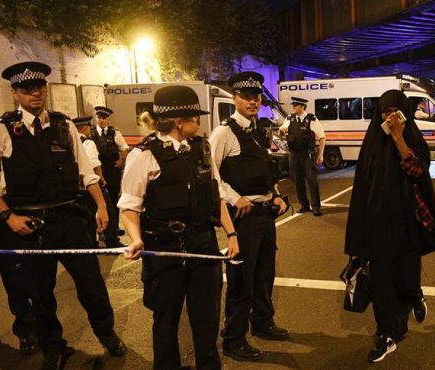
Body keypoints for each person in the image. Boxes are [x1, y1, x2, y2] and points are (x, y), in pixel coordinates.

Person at [0, 61, 126, 370]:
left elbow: (86, 171)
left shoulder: (63, 125)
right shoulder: (2, 130)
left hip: (70, 219)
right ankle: (52, 347)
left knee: (91, 283)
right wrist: (7, 218)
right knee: (40, 294)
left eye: (40, 87)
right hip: (30, 225)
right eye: (27, 90)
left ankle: (106, 334)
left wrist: (102, 206)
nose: (36, 94)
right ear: (15, 94)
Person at [120, 85, 239, 370]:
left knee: (207, 318)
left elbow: (217, 195)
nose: (199, 123)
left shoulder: (201, 148)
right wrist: (135, 239)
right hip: (165, 249)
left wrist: (232, 235)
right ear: (178, 121)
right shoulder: (144, 155)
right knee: (166, 319)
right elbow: (129, 206)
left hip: (203, 245)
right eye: (195, 117)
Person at [344, 89, 435, 363]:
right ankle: (386, 334)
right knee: (382, 285)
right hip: (378, 229)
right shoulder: (371, 142)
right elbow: (361, 190)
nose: (390, 116)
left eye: (396, 111)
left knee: (406, 281)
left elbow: (418, 170)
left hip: (408, 225)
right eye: (385, 111)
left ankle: (415, 295)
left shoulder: (413, 139)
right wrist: (358, 238)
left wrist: (398, 137)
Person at [209, 71, 289, 362]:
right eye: (247, 97)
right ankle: (233, 337)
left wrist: (277, 194)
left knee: (265, 273)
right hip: (244, 216)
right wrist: (233, 198)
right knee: (242, 278)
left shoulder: (256, 130)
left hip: (265, 213)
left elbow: (267, 171)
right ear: (235, 99)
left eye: (256, 97)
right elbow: (212, 176)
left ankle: (263, 321)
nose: (253, 102)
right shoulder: (224, 133)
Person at [72, 116, 119, 248]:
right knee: (107, 210)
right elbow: (94, 163)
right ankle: (112, 241)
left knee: (87, 215)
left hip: (78, 186)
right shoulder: (88, 142)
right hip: (92, 183)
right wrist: (101, 178)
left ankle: (92, 243)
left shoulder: (71, 142)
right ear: (85, 128)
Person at [279, 96, 326, 216]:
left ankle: (316, 207)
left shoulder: (312, 119)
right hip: (294, 154)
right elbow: (283, 131)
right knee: (297, 180)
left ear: (302, 107)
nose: (293, 107)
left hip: (308, 154)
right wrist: (282, 131)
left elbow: (322, 138)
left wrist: (320, 154)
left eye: (295, 105)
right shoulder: (289, 118)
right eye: (293, 105)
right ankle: (304, 205)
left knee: (312, 181)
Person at [91, 106, 129, 247]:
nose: (101, 120)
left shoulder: (114, 133)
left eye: (103, 118)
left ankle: (113, 229)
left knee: (113, 201)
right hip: (96, 171)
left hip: (111, 170)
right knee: (97, 202)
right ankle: (100, 230)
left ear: (107, 119)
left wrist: (122, 161)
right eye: (99, 117)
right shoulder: (91, 132)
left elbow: (124, 148)